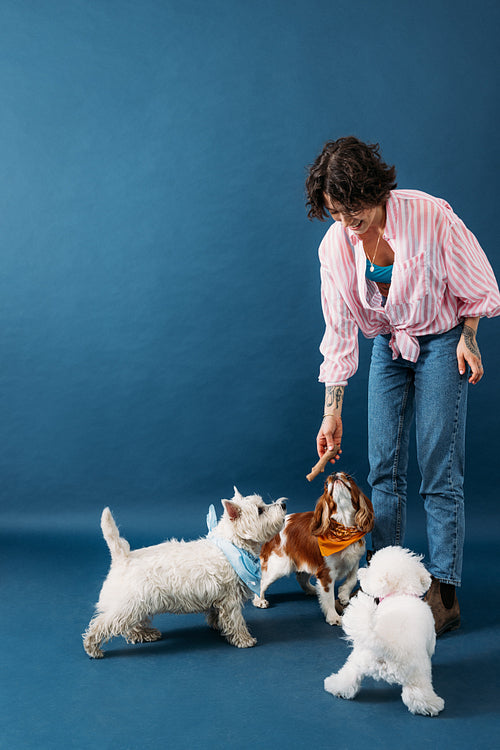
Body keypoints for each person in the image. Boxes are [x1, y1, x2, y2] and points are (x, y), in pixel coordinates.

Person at [305, 136, 500, 635]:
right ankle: (383, 585)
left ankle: (445, 592)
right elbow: (340, 331)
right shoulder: (334, 247)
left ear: (376, 189)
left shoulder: (430, 215)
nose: (348, 222)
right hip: (390, 345)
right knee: (382, 470)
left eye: (355, 209)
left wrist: (469, 338)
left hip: (441, 339)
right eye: (335, 212)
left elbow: (479, 286)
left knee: (439, 471)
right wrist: (332, 411)